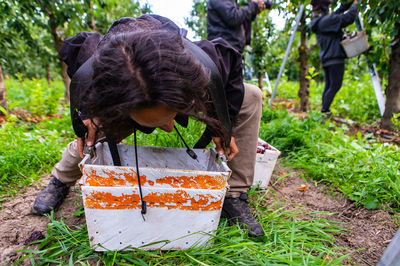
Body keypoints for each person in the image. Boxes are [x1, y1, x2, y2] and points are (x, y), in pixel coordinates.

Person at [31, 14, 265, 237]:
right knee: (94, 131)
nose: (168, 129)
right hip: (125, 96)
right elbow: (76, 55)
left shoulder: (202, 62)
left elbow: (232, 62)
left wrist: (222, 125)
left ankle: (234, 194)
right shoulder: (101, 66)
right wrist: (88, 114)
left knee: (251, 95)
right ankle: (60, 180)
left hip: (177, 85)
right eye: (157, 123)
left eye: (166, 120)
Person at [310, 0, 358, 115]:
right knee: (335, 85)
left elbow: (336, 13)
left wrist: (346, 4)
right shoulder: (326, 21)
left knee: (329, 85)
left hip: (327, 57)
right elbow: (348, 18)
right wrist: (355, 4)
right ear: (324, 7)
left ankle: (324, 110)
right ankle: (325, 110)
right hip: (334, 56)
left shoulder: (320, 21)